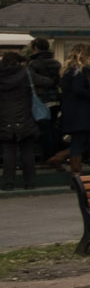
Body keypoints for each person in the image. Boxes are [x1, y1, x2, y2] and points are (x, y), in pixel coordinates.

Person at [0, 52, 39, 191]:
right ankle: (30, 183)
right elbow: (44, 82)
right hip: (25, 117)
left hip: (5, 119)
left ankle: (8, 183)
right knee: (27, 151)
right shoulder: (26, 74)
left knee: (8, 152)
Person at [58, 47, 90, 175]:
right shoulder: (79, 71)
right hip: (81, 111)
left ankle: (58, 158)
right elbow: (78, 89)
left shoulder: (66, 71)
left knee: (78, 141)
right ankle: (76, 173)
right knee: (79, 143)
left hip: (70, 110)